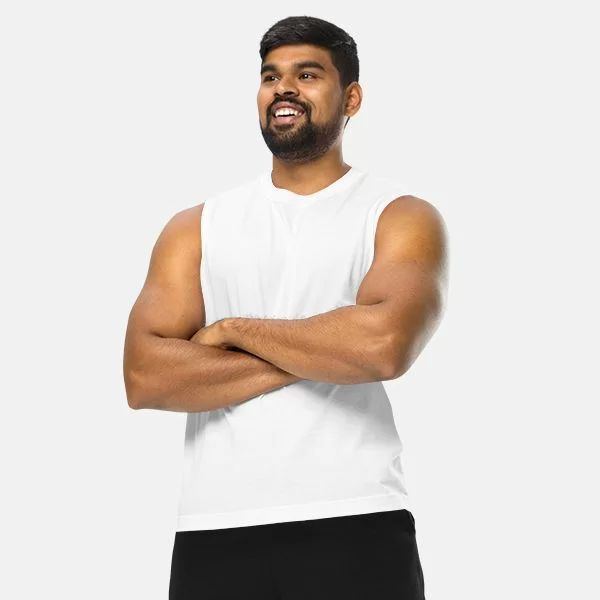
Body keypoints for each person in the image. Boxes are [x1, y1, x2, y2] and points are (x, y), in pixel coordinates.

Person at [123, 15, 448, 600]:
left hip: (356, 518)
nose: (284, 88)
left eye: (308, 74)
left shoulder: (398, 215)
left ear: (352, 99)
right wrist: (330, 349)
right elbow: (145, 377)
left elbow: (384, 346)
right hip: (214, 528)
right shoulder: (196, 227)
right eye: (270, 76)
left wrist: (230, 329)